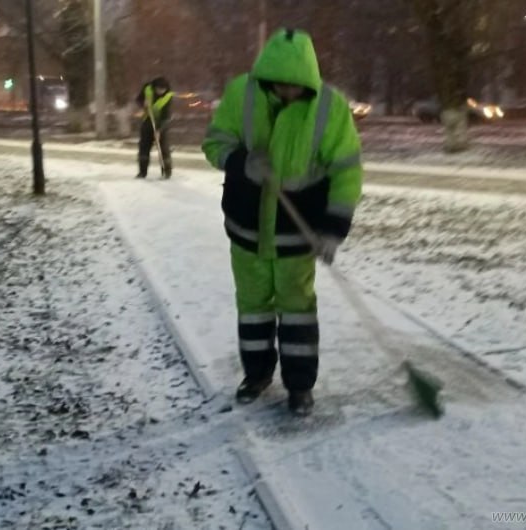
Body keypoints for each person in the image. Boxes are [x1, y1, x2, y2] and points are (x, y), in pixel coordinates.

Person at [202, 28, 363, 416]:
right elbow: (214, 143)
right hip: (246, 228)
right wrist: (242, 162)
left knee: (297, 309)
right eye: (279, 84)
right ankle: (256, 375)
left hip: (297, 235)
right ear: (266, 76)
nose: (288, 92)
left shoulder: (329, 107)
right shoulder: (241, 93)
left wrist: (334, 229)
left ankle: (300, 386)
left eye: (296, 86)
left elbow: (346, 171)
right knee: (253, 307)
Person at [135, 76, 174, 179]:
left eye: (163, 90)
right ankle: (142, 172)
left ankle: (166, 172)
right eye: (159, 89)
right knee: (144, 147)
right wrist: (143, 103)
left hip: (161, 121)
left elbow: (166, 116)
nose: (161, 91)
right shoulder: (147, 89)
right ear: (154, 87)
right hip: (148, 120)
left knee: (163, 148)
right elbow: (138, 99)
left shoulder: (168, 96)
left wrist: (159, 130)